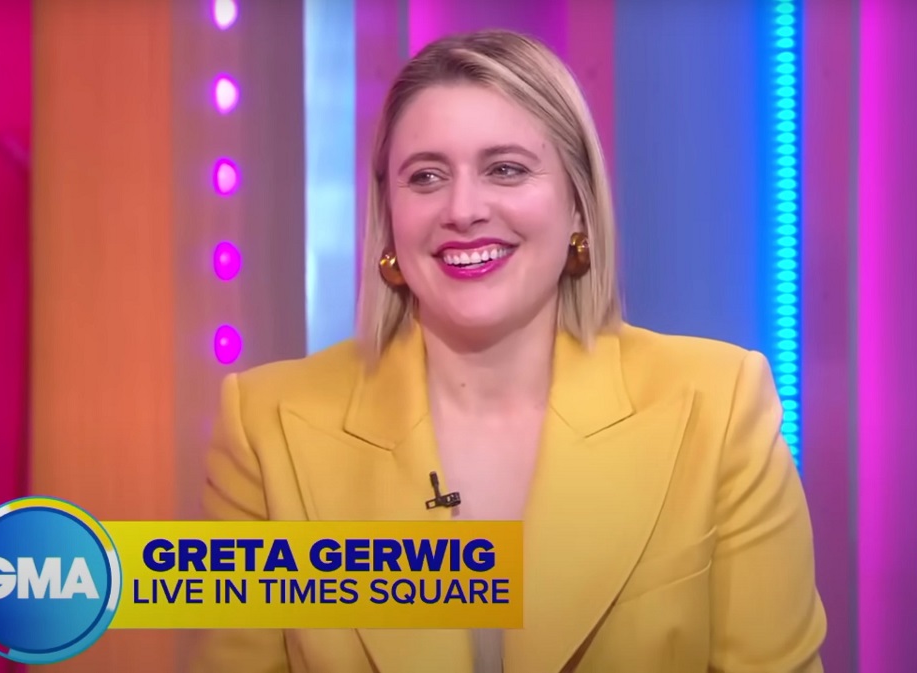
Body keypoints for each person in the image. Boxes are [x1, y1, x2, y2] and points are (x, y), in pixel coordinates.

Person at [193, 29, 826, 673]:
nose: (463, 210)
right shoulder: (266, 427)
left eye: (506, 169)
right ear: (389, 213)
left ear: (578, 205)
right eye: (427, 176)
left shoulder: (719, 408)